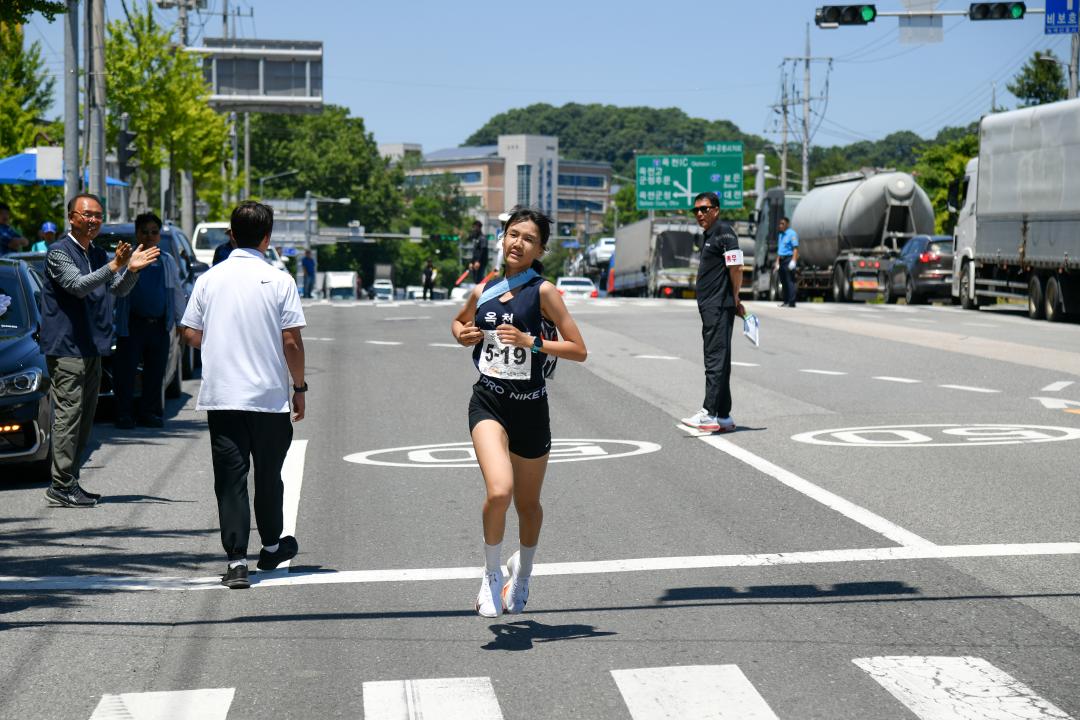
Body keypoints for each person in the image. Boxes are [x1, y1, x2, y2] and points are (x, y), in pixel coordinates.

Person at [451, 206, 587, 618]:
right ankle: (491, 575)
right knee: (499, 492)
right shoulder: (484, 290)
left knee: (528, 505)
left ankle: (522, 574)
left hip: (531, 407)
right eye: (513, 234)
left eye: (528, 238)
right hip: (488, 401)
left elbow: (579, 349)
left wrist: (532, 342)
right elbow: (457, 324)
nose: (518, 243)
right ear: (503, 237)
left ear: (540, 248)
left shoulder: (544, 292)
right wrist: (464, 334)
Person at [180, 201, 307, 590]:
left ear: (231, 235)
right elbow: (291, 341)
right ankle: (271, 547)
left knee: (231, 479)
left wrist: (218, 343)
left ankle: (236, 561)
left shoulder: (209, 279)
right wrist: (299, 388)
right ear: (267, 238)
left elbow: (188, 331)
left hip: (222, 397)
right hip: (268, 397)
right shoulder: (280, 280)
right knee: (269, 475)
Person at [41, 193, 160, 507]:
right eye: (87, 214)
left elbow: (116, 289)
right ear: (71, 217)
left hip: (92, 346)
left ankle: (71, 481)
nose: (93, 220)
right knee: (68, 416)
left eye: (97, 215)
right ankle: (61, 484)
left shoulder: (97, 253)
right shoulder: (58, 252)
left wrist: (131, 270)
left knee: (85, 417)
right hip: (66, 348)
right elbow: (79, 286)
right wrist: (115, 264)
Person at [112, 212, 188, 429]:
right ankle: (124, 415)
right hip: (131, 326)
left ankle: (150, 413)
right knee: (125, 374)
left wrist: (181, 323)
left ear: (159, 235)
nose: (149, 236)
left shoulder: (166, 260)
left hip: (159, 326)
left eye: (154, 232)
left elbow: (175, 292)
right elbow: (114, 291)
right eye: (144, 231)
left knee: (156, 373)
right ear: (137, 234)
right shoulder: (126, 259)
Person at [680, 191, 745, 434]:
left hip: (718, 305)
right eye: (696, 210)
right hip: (714, 306)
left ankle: (708, 413)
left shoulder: (724, 232)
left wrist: (735, 297)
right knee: (721, 359)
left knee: (714, 359)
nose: (699, 214)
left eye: (704, 209)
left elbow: (736, 266)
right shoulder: (710, 235)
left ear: (716, 209)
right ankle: (724, 415)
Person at [776, 216, 799, 308]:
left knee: (790, 281)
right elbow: (780, 249)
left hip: (788, 259)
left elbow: (795, 248)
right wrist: (777, 262)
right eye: (780, 224)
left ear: (787, 224)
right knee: (783, 281)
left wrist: (793, 261)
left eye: (783, 224)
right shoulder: (781, 235)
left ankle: (791, 301)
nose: (780, 226)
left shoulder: (792, 234)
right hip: (781, 259)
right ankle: (785, 301)